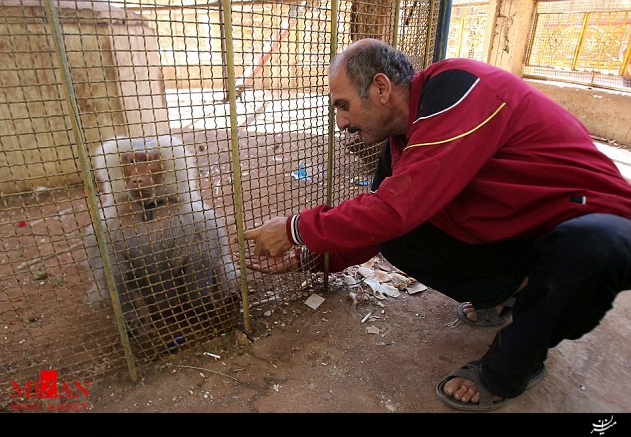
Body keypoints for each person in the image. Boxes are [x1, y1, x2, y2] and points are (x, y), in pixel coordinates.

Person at [242, 38, 631, 411]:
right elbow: (380, 223)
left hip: (599, 222)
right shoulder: (403, 138)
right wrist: (308, 259)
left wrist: (295, 228)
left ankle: (510, 369)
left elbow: (396, 208)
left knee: (589, 248)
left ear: (380, 88)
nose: (341, 122)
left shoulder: (458, 89)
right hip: (527, 238)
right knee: (397, 235)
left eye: (343, 106)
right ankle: (511, 294)